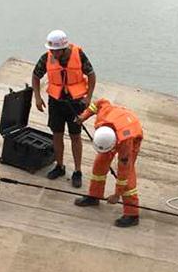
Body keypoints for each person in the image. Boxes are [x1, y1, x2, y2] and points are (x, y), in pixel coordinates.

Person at [32, 29, 96, 188]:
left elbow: (92, 74)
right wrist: (37, 97)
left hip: (76, 102)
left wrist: (88, 97)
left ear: (63, 48)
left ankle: (77, 171)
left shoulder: (78, 55)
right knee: (57, 134)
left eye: (55, 50)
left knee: (75, 136)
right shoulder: (46, 57)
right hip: (56, 101)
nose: (52, 53)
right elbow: (36, 76)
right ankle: (59, 166)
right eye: (51, 50)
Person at [73, 98, 143, 228]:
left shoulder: (126, 143)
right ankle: (94, 196)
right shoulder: (104, 117)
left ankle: (132, 214)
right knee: (99, 164)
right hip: (117, 125)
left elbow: (123, 173)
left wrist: (117, 194)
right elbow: (99, 103)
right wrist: (83, 116)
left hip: (131, 133)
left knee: (128, 179)